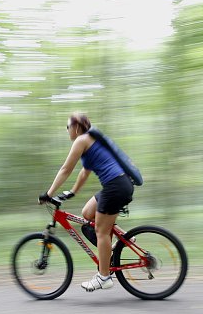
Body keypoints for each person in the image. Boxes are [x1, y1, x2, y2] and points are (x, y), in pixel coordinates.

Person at [38, 113, 134, 292]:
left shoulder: (81, 140)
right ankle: (124, 237)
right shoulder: (89, 142)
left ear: (76, 127)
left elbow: (66, 169)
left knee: (100, 231)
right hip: (119, 184)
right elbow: (84, 172)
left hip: (115, 186)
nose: (67, 131)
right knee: (88, 213)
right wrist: (72, 192)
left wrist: (48, 194)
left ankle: (104, 277)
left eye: (68, 127)